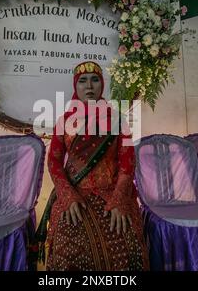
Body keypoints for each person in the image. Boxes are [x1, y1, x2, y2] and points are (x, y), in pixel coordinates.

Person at [35, 61, 148, 271]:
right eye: (83, 81)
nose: (89, 86)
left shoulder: (117, 120)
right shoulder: (64, 121)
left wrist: (119, 200)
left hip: (113, 193)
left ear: (102, 84)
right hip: (75, 193)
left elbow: (127, 164)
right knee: (66, 244)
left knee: (125, 244)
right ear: (75, 86)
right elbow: (54, 162)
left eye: (95, 80)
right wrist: (67, 195)